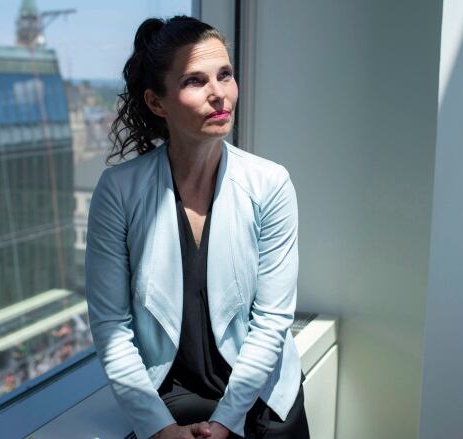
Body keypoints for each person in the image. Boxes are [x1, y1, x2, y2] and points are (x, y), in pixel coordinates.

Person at [85, 15, 309, 439]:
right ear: (157, 102)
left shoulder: (270, 183)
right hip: (170, 400)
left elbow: (273, 321)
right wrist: (159, 428)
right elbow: (111, 326)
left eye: (225, 75)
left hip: (260, 395)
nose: (218, 94)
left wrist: (227, 421)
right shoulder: (119, 191)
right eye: (194, 81)